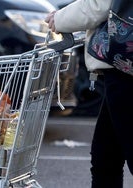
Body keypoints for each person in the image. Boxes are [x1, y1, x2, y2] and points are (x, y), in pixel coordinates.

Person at [45, 0, 133, 188]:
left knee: (109, 158)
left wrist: (59, 19)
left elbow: (98, 5)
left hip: (125, 69)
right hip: (123, 69)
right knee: (105, 156)